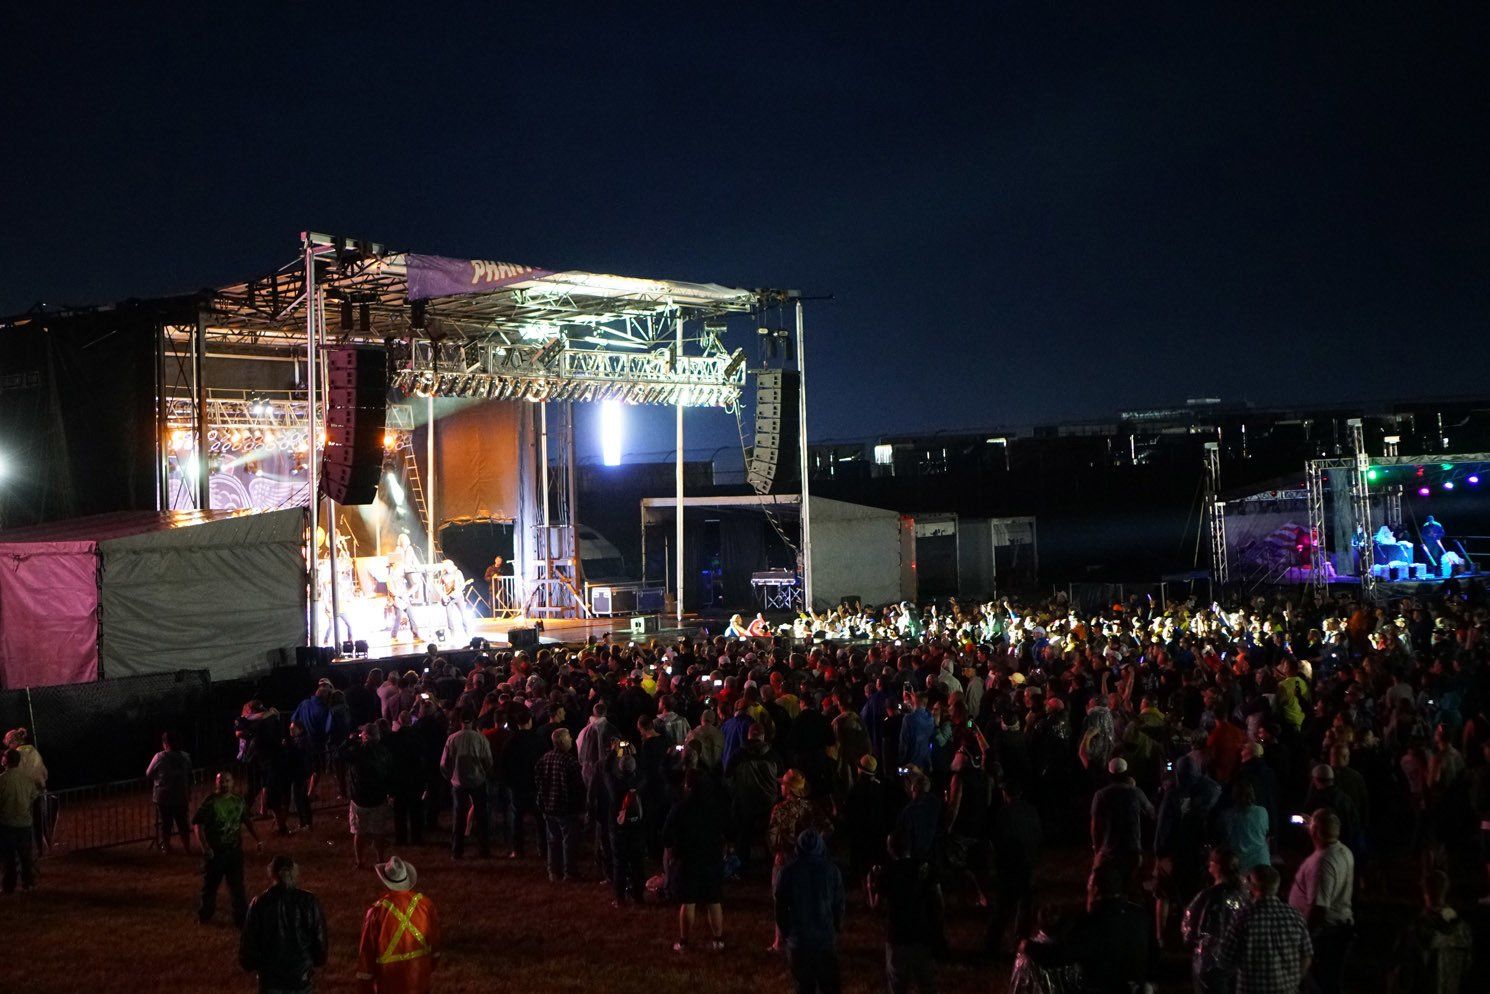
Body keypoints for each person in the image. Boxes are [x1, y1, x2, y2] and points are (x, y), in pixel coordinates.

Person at [1062, 863, 1158, 994]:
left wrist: (1028, 947)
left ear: (1095, 890)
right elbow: (1154, 953)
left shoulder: (1090, 922)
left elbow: (1064, 954)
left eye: (1089, 888)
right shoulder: (1141, 915)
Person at [1288, 807, 1355, 994]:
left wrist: (1303, 938)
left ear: (1316, 832)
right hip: (1337, 929)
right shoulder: (1343, 851)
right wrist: (1312, 825)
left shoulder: (1322, 863)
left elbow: (1319, 908)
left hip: (1325, 936)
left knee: (1318, 984)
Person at [1216, 865, 1312, 994]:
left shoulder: (1243, 917)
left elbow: (1224, 959)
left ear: (1252, 887)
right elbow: (1306, 955)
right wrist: (1293, 981)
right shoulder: (1295, 916)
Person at [239, 855, 328, 994]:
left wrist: (252, 964)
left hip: (270, 980)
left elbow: (249, 943)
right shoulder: (309, 901)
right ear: (294, 872)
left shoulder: (260, 903)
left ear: (272, 873)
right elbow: (320, 942)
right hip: (300, 979)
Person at [663, 769, 728, 952]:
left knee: (688, 901)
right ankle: (718, 940)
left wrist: (674, 849)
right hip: (712, 857)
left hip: (688, 858)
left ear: (687, 785)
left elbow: (666, 833)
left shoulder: (681, 807)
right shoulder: (716, 806)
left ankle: (684, 942)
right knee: (713, 900)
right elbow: (728, 827)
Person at [868, 832, 942, 994]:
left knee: (897, 985)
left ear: (890, 849)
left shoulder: (887, 873)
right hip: (921, 934)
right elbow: (938, 900)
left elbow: (876, 907)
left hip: (897, 937)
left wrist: (870, 885)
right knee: (927, 984)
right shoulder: (923, 867)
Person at [774, 827, 845, 994]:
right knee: (830, 986)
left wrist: (786, 933)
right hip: (824, 939)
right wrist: (836, 928)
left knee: (805, 986)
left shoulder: (788, 872)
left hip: (799, 941)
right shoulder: (832, 870)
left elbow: (780, 906)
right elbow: (839, 904)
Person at [356, 856, 440, 994]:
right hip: (419, 978)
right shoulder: (425, 904)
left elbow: (367, 952)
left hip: (389, 982)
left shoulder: (377, 911)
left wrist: (365, 984)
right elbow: (434, 943)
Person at [193, 770, 262, 926]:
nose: (224, 784)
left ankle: (241, 918)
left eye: (227, 781)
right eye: (221, 781)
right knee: (210, 886)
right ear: (216, 783)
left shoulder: (239, 801)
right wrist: (205, 846)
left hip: (234, 851)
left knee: (237, 887)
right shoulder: (210, 802)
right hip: (215, 853)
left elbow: (247, 820)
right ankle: (205, 916)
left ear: (233, 782)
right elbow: (198, 824)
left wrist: (258, 839)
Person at [1387, 870, 1473, 994]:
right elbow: (1467, 969)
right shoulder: (1463, 931)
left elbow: (1399, 973)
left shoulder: (1415, 931)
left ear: (1425, 892)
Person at [1181, 847, 1246, 994]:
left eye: (1211, 861)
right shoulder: (1243, 896)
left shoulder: (1208, 896)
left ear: (1217, 866)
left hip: (1209, 962)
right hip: (1237, 961)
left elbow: (1190, 925)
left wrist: (1190, 941)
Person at [1089, 757, 1153, 891]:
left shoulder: (1101, 795)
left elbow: (1095, 826)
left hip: (1109, 852)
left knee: (1109, 888)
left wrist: (1097, 849)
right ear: (1126, 773)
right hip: (1132, 850)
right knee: (1129, 887)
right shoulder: (1136, 793)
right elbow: (1152, 813)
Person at [440, 708, 492, 859]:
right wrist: (484, 772)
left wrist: (450, 777)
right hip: (477, 780)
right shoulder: (480, 738)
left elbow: (443, 764)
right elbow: (488, 761)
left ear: (460, 721)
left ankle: (457, 851)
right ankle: (484, 849)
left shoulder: (452, 739)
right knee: (482, 816)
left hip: (458, 783)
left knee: (459, 817)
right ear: (473, 721)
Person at [534, 726, 585, 881]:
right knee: (568, 841)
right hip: (566, 808)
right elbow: (577, 787)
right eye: (569, 737)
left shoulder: (544, 759)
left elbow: (539, 783)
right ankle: (569, 872)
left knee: (553, 841)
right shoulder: (570, 762)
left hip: (549, 807)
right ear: (563, 741)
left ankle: (553, 871)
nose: (571, 740)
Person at [146, 731, 194, 853]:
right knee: (183, 823)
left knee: (166, 824)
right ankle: (187, 847)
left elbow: (149, 773)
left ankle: (166, 848)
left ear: (165, 743)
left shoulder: (159, 757)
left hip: (164, 797)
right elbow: (190, 775)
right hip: (181, 796)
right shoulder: (185, 756)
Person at [0, 748, 41, 893]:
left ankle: (8, 886)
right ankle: (28, 883)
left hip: (7, 825)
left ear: (6, 761)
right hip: (24, 824)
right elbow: (34, 797)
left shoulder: (2, 780)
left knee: (8, 858)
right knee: (25, 857)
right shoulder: (27, 779)